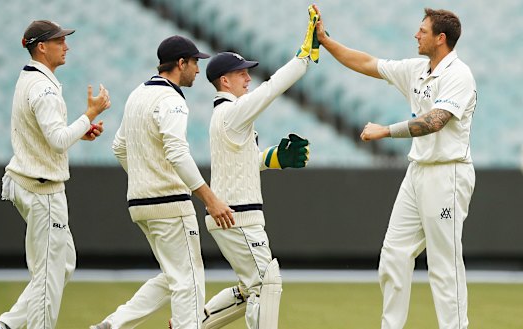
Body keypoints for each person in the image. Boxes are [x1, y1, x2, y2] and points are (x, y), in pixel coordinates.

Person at [314, 5, 477, 329]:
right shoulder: (416, 69)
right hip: (417, 171)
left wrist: (386, 130)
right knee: (393, 255)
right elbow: (366, 63)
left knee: (444, 264)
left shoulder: (459, 75)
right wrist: (325, 41)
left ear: (441, 38)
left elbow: (436, 121)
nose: (415, 34)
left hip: (448, 172)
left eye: (423, 30)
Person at [89, 35, 234, 329]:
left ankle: (113, 325)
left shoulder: (137, 94)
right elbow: (177, 152)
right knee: (189, 280)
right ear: (181, 63)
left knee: (173, 275)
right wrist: (211, 199)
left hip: (141, 203)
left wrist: (145, 178)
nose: (197, 70)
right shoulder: (172, 100)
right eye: (194, 63)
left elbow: (119, 146)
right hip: (169, 203)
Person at [199, 7, 317, 328]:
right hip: (239, 216)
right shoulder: (231, 112)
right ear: (224, 81)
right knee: (267, 283)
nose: (248, 78)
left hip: (235, 215)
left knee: (251, 286)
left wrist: (275, 159)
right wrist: (302, 59)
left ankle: (190, 323)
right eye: (241, 73)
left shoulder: (227, 118)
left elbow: (246, 162)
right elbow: (270, 90)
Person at [0, 20, 111, 329]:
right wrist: (90, 115)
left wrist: (81, 129)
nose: (66, 46)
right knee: (48, 275)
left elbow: (50, 135)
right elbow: (57, 140)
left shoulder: (31, 78)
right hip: (41, 189)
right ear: (42, 46)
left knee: (63, 265)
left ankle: (6, 326)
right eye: (60, 40)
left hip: (31, 182)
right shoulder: (43, 87)